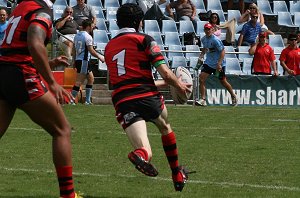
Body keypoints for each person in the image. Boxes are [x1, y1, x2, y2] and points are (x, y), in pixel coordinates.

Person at [104, 3, 192, 192]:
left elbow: (115, 83)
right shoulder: (145, 39)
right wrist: (179, 85)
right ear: (138, 21)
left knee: (145, 151)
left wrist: (168, 82)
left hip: (123, 100)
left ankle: (139, 154)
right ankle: (176, 173)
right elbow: (166, 74)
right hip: (147, 96)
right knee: (165, 128)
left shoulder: (109, 46)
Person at [0, 0, 80, 197]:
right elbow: (34, 44)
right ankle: (68, 195)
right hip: (21, 75)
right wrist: (52, 83)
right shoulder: (42, 11)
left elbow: (17, 48)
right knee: (62, 130)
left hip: (3, 72)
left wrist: (50, 62)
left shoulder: (20, 7)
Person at [195, 23, 237, 107]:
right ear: (204, 30)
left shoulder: (215, 40)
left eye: (209, 29)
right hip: (209, 63)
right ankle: (203, 99)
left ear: (212, 30)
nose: (207, 31)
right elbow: (204, 50)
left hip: (218, 64)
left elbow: (223, 51)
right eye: (206, 29)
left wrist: (219, 64)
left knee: (223, 81)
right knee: (201, 79)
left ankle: (233, 95)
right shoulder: (203, 39)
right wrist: (200, 58)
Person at [71, 19, 105, 105]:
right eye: (92, 26)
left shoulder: (77, 35)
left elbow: (74, 49)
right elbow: (91, 51)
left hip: (80, 60)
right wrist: (100, 57)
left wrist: (74, 60)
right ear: (88, 26)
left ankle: (87, 101)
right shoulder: (88, 37)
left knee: (91, 79)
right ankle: (71, 100)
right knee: (79, 81)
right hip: (84, 61)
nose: (93, 27)